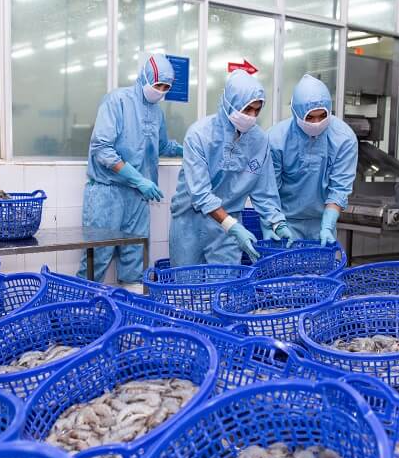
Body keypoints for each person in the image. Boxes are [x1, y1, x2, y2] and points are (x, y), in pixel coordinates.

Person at [78, 54, 183, 287]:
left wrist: (187, 150)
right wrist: (138, 179)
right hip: (108, 194)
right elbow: (102, 149)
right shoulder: (117, 101)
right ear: (145, 77)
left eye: (166, 88)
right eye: (158, 85)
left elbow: (161, 145)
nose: (161, 91)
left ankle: (131, 305)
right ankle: (82, 306)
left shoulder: (157, 112)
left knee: (136, 259)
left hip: (138, 198)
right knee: (97, 259)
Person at [169, 69, 293, 265]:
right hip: (189, 222)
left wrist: (276, 222)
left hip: (228, 226)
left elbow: (265, 190)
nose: (252, 116)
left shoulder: (259, 141)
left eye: (257, 110)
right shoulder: (200, 135)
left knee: (226, 282)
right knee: (186, 282)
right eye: (247, 109)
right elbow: (200, 193)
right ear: (229, 103)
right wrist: (232, 226)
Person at [266, 75, 357, 246]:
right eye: (309, 117)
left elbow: (339, 188)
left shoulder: (344, 138)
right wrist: (275, 223)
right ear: (296, 113)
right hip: (285, 221)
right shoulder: (276, 139)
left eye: (322, 116)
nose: (317, 123)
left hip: (322, 222)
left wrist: (327, 226)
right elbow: (269, 189)